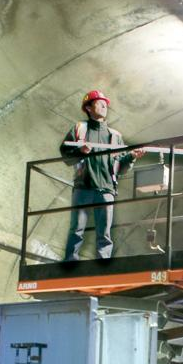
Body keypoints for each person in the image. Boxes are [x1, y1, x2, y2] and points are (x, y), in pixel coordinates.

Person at [59, 89, 144, 261]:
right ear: (88, 108)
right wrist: (79, 150)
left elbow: (120, 166)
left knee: (104, 232)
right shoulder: (79, 128)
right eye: (99, 102)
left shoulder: (115, 136)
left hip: (106, 188)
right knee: (76, 229)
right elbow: (65, 153)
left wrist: (132, 157)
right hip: (83, 186)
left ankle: (103, 264)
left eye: (105, 103)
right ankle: (70, 263)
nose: (104, 105)